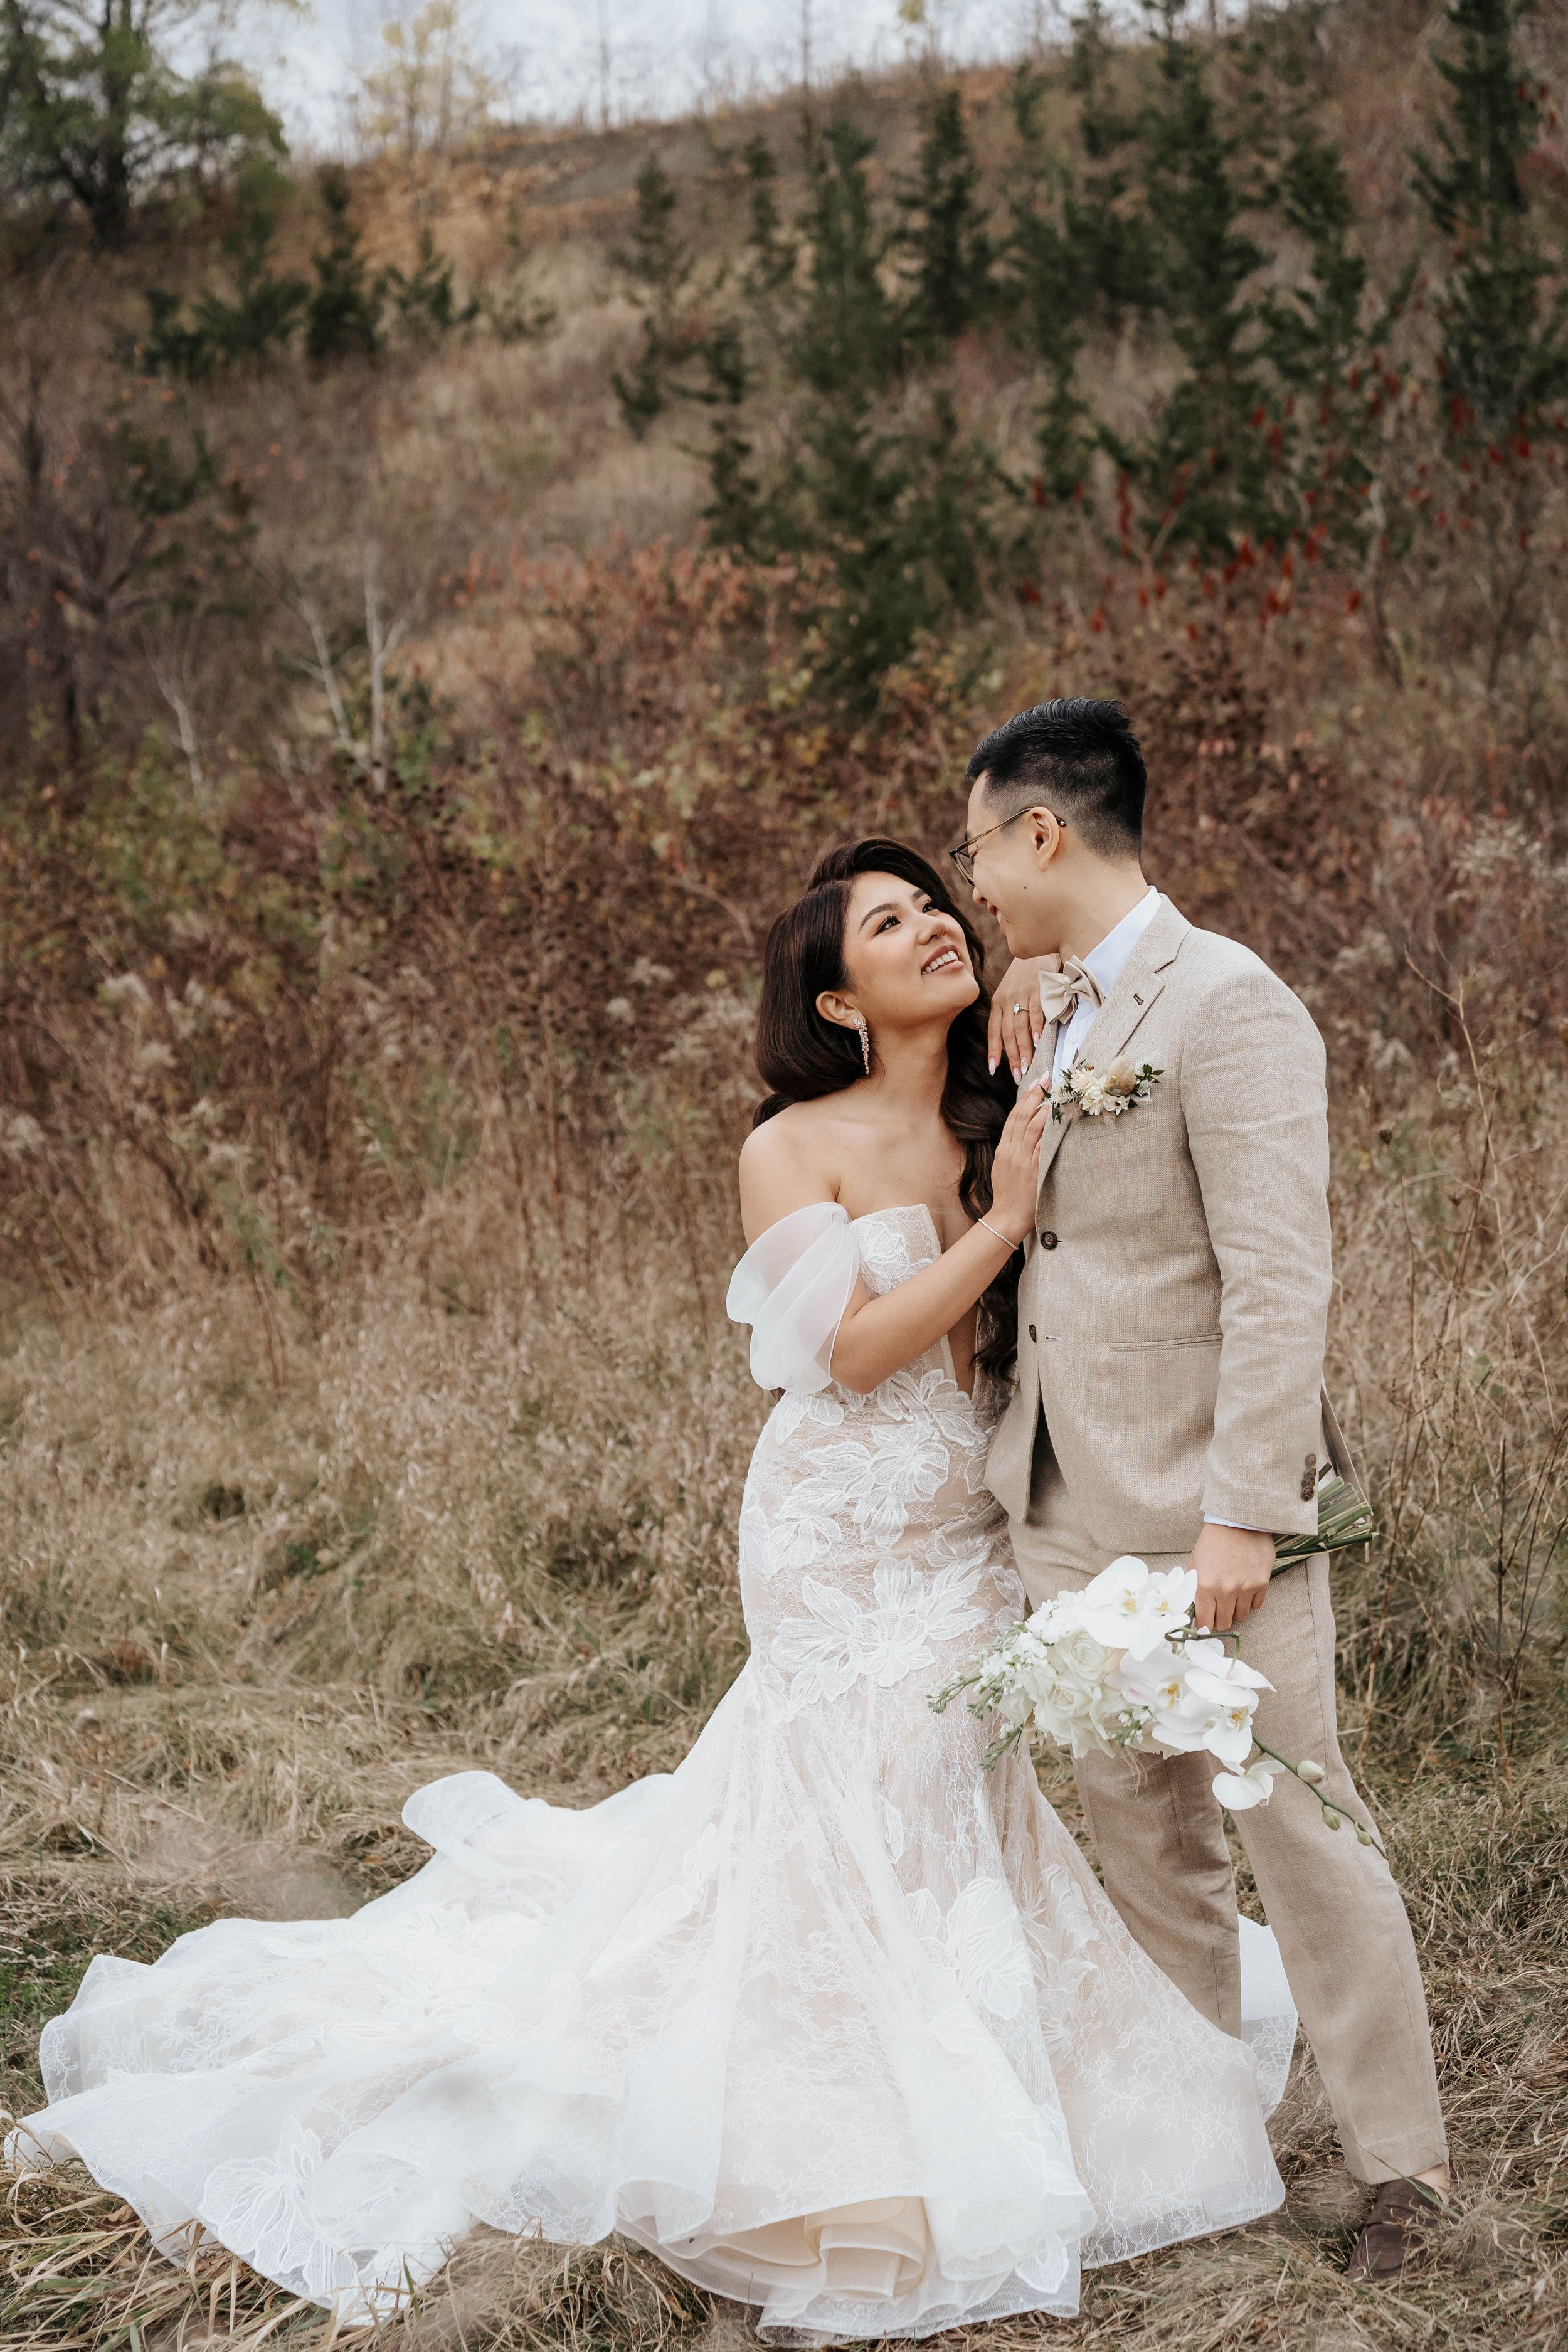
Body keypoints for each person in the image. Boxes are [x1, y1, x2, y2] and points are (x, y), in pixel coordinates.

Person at [9, 839, 1295, 2345]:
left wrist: (1033, 975)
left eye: (938, 905)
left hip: (972, 1520)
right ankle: (843, 2123)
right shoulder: (789, 1146)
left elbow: (1118, 1015)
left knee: (956, 1791)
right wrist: (1000, 1219)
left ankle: (981, 2062)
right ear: (836, 995)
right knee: (857, 1787)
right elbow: (857, 1351)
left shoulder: (1001, 1097)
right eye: (892, 924)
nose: (935, 924)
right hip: (837, 1531)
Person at [956, 696, 1449, 2280]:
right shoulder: (1060, 1002)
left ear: (1043, 833)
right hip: (1063, 1505)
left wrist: (1247, 1507)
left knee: (1298, 1830)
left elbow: (1276, 1275)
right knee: (1142, 1841)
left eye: (977, 854)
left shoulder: (1229, 1003)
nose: (974, 891)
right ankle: (1195, 2154)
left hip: (1206, 1516)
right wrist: (1023, 983)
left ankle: (1401, 2174)